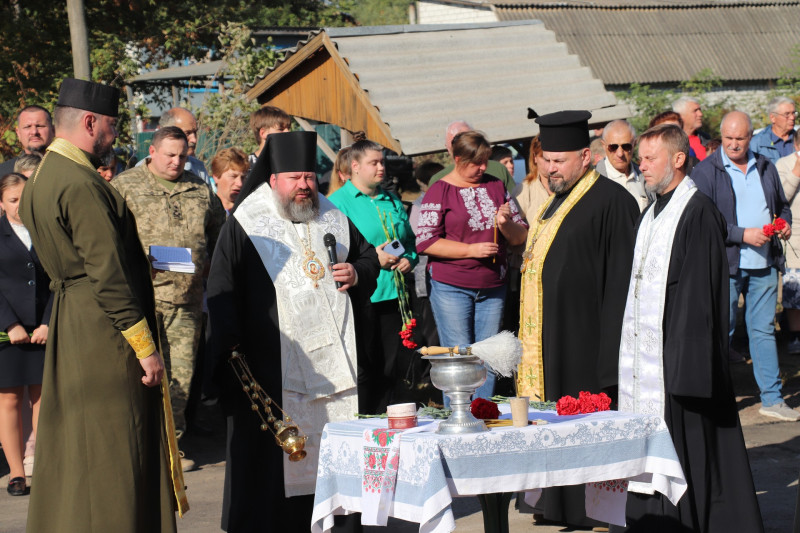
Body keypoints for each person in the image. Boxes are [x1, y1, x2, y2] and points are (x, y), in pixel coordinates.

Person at [19, 78, 185, 532]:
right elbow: (106, 275)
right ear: (90, 122)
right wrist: (145, 348)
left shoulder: (44, 175)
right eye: (112, 125)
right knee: (115, 450)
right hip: (103, 331)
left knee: (80, 449)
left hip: (75, 320)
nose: (116, 134)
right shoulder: (79, 182)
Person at [206, 130, 379, 533]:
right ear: (273, 180)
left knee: (335, 451)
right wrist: (231, 350)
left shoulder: (332, 213)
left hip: (337, 366)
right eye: (294, 178)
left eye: (308, 177)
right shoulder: (248, 221)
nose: (304, 186)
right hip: (272, 365)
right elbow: (221, 287)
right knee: (272, 468)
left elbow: (369, 258)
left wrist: (356, 271)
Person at [613, 123, 764, 533]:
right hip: (649, 359)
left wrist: (684, 364)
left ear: (678, 159)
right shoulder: (652, 211)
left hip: (678, 360)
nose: (640, 165)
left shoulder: (697, 211)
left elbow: (700, 296)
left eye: (649, 158)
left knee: (689, 450)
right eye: (640, 158)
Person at [517, 110, 639, 528]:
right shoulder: (554, 201)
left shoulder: (613, 201)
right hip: (551, 338)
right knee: (554, 420)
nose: (550, 168)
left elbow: (622, 282)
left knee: (581, 424)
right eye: (545, 160)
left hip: (586, 342)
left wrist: (611, 359)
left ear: (586, 157)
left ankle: (588, 508)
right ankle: (560, 505)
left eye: (559, 160)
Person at [113, 126, 226, 466]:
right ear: (153, 151)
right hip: (141, 300)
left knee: (180, 376)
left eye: (183, 155)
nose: (177, 162)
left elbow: (218, 235)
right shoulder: (125, 187)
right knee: (136, 375)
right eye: (170, 155)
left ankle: (171, 449)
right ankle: (134, 449)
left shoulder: (199, 189)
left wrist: (207, 265)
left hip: (186, 299)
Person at [693, 110, 799, 421]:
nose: (734, 144)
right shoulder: (705, 171)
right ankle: (716, 401)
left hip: (764, 263)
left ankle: (772, 399)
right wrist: (742, 234)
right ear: (722, 136)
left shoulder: (765, 166)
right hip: (725, 265)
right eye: (728, 138)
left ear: (750, 137)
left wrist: (784, 224)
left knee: (763, 331)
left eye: (740, 138)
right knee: (720, 333)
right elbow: (703, 221)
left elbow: (780, 207)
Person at [417, 131, 527, 401]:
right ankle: (459, 415)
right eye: (475, 163)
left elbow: (520, 234)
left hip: (492, 285)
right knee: (460, 354)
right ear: (457, 159)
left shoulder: (495, 186)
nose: (482, 168)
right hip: (451, 286)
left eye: (485, 161)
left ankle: (482, 412)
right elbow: (425, 241)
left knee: (488, 354)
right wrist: (470, 250)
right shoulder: (439, 191)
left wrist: (504, 224)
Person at [329, 139, 418, 413]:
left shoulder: (390, 198)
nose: (381, 168)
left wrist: (408, 260)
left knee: (394, 366)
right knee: (367, 366)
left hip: (396, 294)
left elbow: (409, 241)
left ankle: (393, 419)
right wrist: (370, 261)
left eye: (383, 162)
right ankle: (366, 421)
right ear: (355, 167)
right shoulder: (335, 204)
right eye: (374, 163)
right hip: (363, 297)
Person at [0, 173, 50, 496]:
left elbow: (58, 281)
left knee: (43, 400)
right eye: (13, 200)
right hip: (9, 333)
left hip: (43, 331)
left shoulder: (47, 233)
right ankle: (16, 473)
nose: (19, 206)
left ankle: (44, 467)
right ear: (1, 203)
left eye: (24, 199)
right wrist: (10, 324)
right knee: (9, 400)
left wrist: (47, 322)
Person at [136, 107, 214, 191]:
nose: (194, 140)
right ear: (167, 131)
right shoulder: (142, 170)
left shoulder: (198, 168)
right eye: (187, 133)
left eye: (195, 132)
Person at [429, 120, 516, 193]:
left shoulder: (498, 169)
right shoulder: (438, 182)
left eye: (467, 141)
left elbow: (516, 205)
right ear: (448, 148)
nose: (483, 167)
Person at [776, 134, 800, 354]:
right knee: (793, 293)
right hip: (794, 237)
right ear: (796, 144)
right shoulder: (784, 164)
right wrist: (797, 171)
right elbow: (781, 197)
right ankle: (794, 336)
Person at [595, 119, 649, 211]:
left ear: (634, 144)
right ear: (603, 146)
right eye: (613, 147)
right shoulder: (594, 182)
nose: (620, 153)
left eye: (626, 146)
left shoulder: (646, 177)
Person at [0, 106, 54, 176]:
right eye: (27, 127)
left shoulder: (67, 167)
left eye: (39, 126)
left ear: (53, 130)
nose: (34, 132)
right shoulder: (3, 173)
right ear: (18, 133)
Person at [751, 96, 797, 164]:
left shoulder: (797, 139)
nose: (792, 117)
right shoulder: (757, 143)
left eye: (793, 113)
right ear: (773, 118)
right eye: (787, 114)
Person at [211, 147, 249, 216]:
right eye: (233, 176)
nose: (240, 183)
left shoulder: (249, 212)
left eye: (243, 177)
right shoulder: (207, 211)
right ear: (216, 177)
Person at [673, 96, 709, 160]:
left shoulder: (705, 138)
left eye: (699, 110)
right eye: (695, 111)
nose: (700, 114)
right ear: (681, 115)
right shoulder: (671, 141)